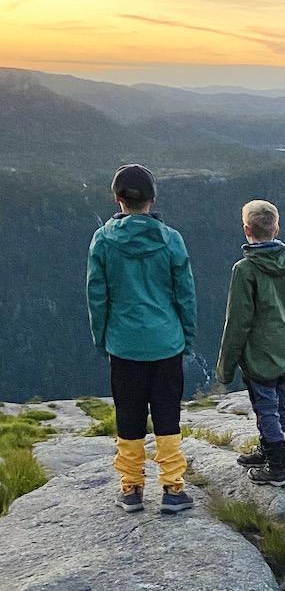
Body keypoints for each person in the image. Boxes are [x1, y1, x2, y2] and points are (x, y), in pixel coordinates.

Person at [86, 164, 197, 515]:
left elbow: (97, 295)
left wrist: (101, 337)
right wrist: (186, 336)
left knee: (129, 416)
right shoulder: (172, 239)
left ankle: (132, 489)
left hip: (123, 344)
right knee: (167, 416)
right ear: (152, 199)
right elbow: (185, 294)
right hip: (167, 342)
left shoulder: (102, 240)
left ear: (118, 199)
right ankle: (173, 489)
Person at [214, 199, 285, 489]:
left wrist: (224, 368)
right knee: (278, 403)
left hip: (258, 351)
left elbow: (238, 321)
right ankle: (269, 447)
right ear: (277, 227)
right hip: (283, 345)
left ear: (246, 229)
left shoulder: (244, 269)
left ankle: (276, 466)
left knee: (265, 406)